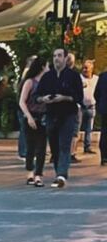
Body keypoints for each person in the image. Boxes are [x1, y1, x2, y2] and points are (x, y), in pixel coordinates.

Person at [35, 47, 83, 189]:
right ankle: (59, 173)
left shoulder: (73, 76)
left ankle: (62, 175)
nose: (56, 58)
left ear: (65, 58)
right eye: (55, 56)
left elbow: (79, 97)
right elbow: (36, 96)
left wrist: (64, 98)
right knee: (54, 146)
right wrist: (43, 99)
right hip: (51, 114)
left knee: (64, 145)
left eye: (59, 55)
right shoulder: (47, 77)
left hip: (68, 114)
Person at [18, 53, 49, 187]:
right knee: (30, 146)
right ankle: (30, 172)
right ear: (42, 67)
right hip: (31, 116)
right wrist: (29, 117)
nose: (49, 68)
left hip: (43, 117)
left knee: (42, 148)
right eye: (47, 66)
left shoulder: (47, 83)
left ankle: (38, 175)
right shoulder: (30, 82)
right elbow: (22, 101)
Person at [79, 58, 97, 155]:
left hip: (91, 106)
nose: (84, 70)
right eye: (83, 68)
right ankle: (72, 149)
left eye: (86, 68)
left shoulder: (96, 79)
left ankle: (87, 146)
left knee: (89, 129)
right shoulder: (79, 78)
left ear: (91, 69)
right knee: (76, 129)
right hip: (80, 107)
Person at [95, 68, 107, 166]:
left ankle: (104, 157)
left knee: (104, 133)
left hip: (104, 109)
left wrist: (100, 105)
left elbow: (96, 93)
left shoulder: (102, 76)